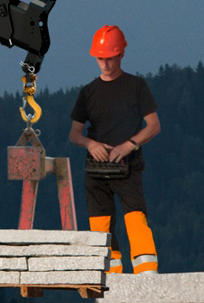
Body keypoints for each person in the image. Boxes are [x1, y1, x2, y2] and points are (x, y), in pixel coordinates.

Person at [69, 25, 160, 276]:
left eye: (109, 58)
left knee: (135, 218)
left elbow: (154, 126)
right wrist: (90, 144)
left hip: (127, 166)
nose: (105, 64)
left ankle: (147, 275)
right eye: (100, 58)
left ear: (121, 54)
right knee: (100, 225)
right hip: (95, 169)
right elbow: (74, 133)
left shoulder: (136, 86)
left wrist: (129, 145)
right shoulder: (88, 93)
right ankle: (111, 279)